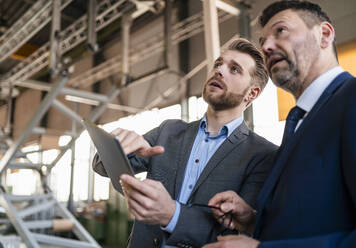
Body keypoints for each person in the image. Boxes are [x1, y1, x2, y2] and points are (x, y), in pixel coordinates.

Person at [92, 38, 277, 247]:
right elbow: (100, 167)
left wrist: (171, 214)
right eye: (218, 64)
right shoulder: (168, 131)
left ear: (252, 93)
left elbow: (239, 236)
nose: (219, 71)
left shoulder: (263, 155)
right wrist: (118, 146)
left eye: (234, 70)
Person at [204, 1, 356, 248]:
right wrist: (254, 221)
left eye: (281, 31)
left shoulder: (351, 100)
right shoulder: (300, 122)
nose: (266, 46)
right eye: (262, 41)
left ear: (324, 34)